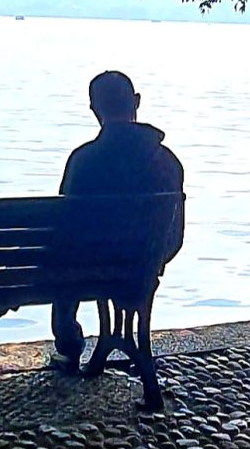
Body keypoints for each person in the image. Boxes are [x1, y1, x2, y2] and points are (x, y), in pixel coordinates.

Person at [50, 69, 185, 371]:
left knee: (63, 259)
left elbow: (64, 228)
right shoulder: (168, 162)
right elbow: (174, 238)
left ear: (94, 109)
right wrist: (152, 260)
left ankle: (68, 345)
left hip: (87, 270)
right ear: (136, 101)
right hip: (142, 268)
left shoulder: (84, 160)